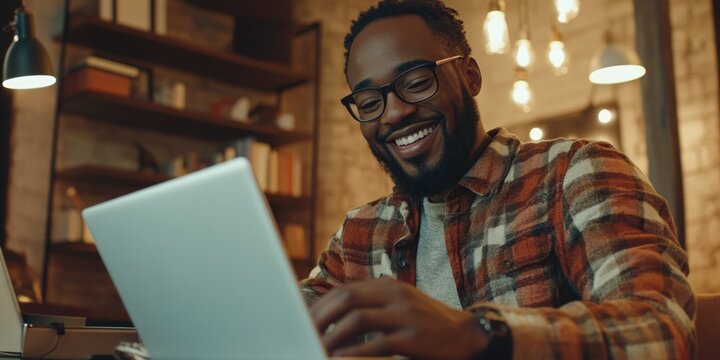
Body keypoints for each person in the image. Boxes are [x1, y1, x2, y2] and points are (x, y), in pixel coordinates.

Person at [299, 0, 695, 359]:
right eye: (369, 103)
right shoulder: (359, 233)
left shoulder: (571, 174)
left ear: (470, 76)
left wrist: (478, 334)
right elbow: (279, 326)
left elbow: (660, 329)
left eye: (417, 82)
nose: (394, 113)